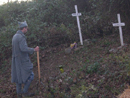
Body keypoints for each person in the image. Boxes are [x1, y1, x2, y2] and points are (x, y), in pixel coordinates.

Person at [11, 21, 39, 97]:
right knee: (31, 75)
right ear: (24, 28)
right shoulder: (21, 37)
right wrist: (33, 50)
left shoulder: (15, 36)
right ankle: (24, 92)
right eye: (27, 28)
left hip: (16, 61)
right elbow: (23, 48)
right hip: (22, 61)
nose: (27, 29)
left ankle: (19, 94)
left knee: (18, 77)